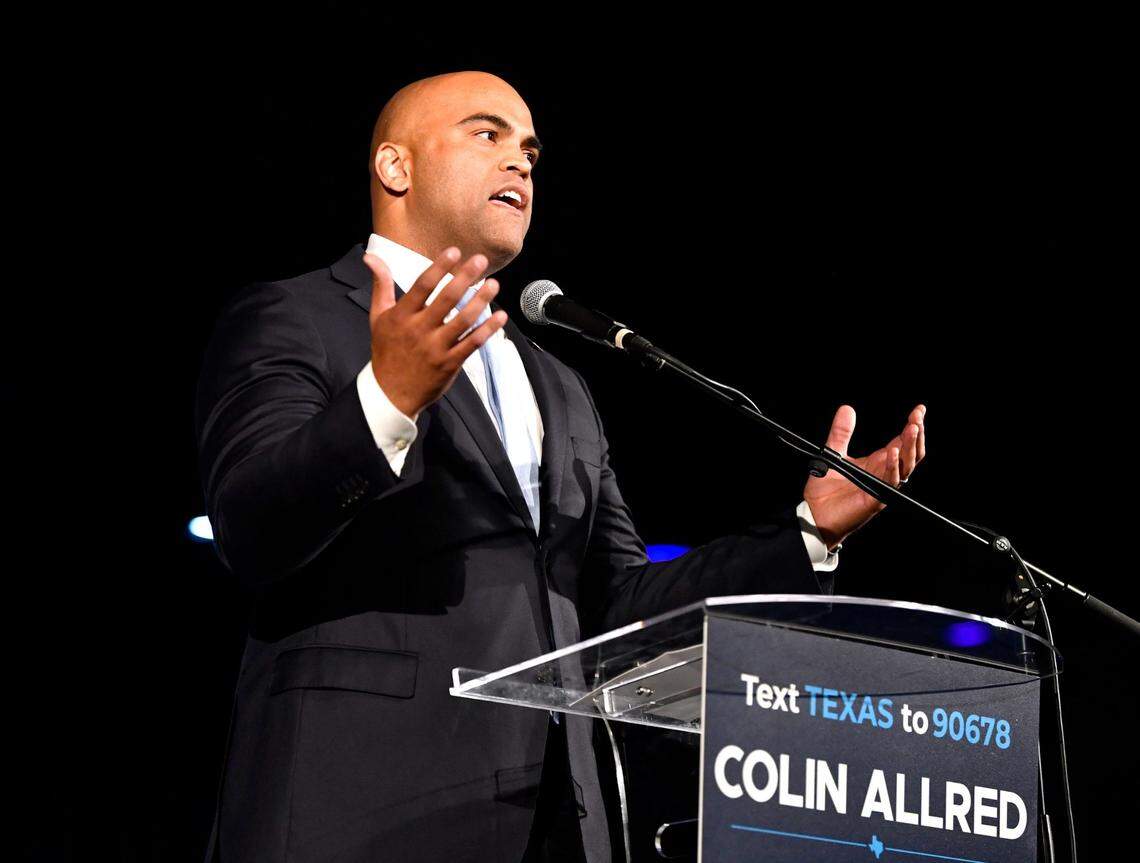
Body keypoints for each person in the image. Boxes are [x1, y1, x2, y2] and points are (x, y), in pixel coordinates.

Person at [195, 70, 926, 863]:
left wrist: (807, 533)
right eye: (488, 134)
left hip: (555, 824)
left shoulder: (559, 385)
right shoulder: (295, 316)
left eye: (531, 150)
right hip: (359, 810)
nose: (521, 162)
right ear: (395, 167)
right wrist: (386, 399)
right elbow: (251, 529)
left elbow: (619, 602)